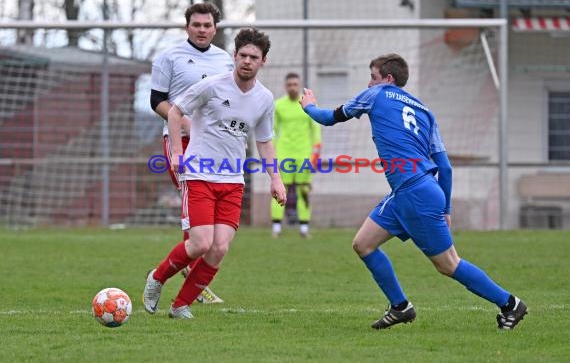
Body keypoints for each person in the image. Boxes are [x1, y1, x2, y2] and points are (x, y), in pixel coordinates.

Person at [299, 53, 527, 330]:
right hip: (415, 191)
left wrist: (309, 107)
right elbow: (445, 166)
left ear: (388, 79)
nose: (369, 83)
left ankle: (510, 304)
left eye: (373, 76)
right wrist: (446, 209)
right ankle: (400, 307)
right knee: (363, 244)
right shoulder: (425, 112)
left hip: (415, 193)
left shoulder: (377, 94)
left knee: (448, 264)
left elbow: (329, 118)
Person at [143, 28, 287, 319]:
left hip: (232, 180)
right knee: (200, 242)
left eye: (254, 57)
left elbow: (264, 140)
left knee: (219, 248)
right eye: (243, 55)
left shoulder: (264, 99)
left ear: (263, 62)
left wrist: (275, 178)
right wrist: (176, 153)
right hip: (199, 175)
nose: (247, 61)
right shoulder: (212, 86)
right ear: (234, 57)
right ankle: (157, 279)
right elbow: (174, 112)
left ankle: (180, 305)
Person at [150, 2, 233, 304]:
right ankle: (189, 277)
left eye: (207, 25)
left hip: (214, 146)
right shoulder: (169, 56)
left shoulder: (225, 60)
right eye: (196, 25)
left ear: (215, 28)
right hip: (181, 144)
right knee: (198, 211)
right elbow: (156, 99)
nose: (202, 30)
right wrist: (181, 120)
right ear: (187, 27)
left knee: (209, 219)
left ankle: (192, 276)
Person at [271, 72, 321, 238]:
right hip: (283, 154)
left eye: (295, 84)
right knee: (279, 189)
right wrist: (272, 155)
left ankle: (304, 228)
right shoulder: (278, 105)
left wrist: (316, 153)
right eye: (289, 84)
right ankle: (276, 227)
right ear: (285, 86)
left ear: (299, 85)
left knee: (304, 191)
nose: (292, 87)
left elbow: (316, 130)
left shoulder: (307, 104)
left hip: (304, 155)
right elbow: (272, 132)